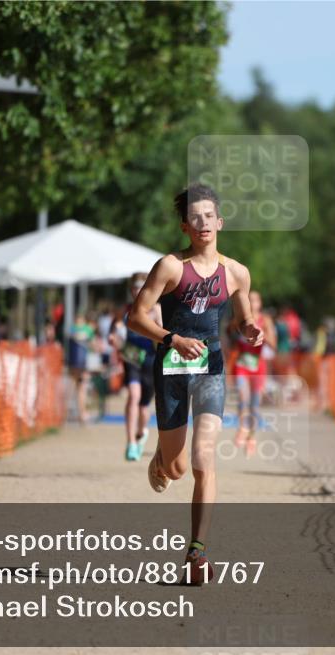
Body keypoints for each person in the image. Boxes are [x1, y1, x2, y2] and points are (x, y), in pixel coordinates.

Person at [128, 183, 263, 585]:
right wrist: (172, 338)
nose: (202, 222)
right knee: (177, 468)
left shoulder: (236, 272)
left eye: (209, 215)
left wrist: (250, 330)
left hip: (211, 369)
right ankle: (162, 456)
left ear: (220, 222)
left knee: (204, 459)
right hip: (170, 367)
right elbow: (135, 317)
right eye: (194, 217)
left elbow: (243, 319)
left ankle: (196, 552)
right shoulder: (170, 266)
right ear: (184, 226)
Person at [111, 273, 162, 462]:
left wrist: (157, 321)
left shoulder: (156, 308)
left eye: (140, 286)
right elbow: (115, 330)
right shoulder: (125, 310)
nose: (137, 290)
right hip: (131, 358)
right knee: (133, 395)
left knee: (144, 405)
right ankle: (131, 441)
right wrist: (113, 338)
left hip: (151, 359)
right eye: (134, 287)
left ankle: (142, 432)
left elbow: (164, 332)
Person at [232, 290, 277, 457]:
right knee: (242, 398)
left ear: (260, 303)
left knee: (254, 405)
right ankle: (243, 428)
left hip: (258, 367)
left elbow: (273, 345)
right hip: (241, 365)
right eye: (249, 300)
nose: (252, 304)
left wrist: (262, 334)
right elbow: (229, 336)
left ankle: (251, 437)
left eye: (255, 300)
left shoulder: (265, 320)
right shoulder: (239, 319)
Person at [67, 312, 95, 425]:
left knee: (73, 387)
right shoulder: (88, 329)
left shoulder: (71, 330)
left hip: (73, 364)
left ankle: (69, 412)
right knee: (82, 389)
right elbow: (93, 344)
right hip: (83, 364)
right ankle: (82, 413)